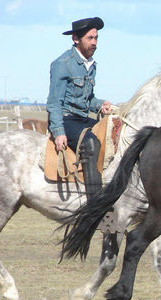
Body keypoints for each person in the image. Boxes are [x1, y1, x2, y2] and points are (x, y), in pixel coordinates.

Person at [47, 17, 111, 197]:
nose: (94, 43)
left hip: (82, 118)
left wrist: (100, 105)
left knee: (114, 133)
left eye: (96, 38)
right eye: (90, 38)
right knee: (90, 143)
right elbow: (54, 102)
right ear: (76, 39)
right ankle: (95, 205)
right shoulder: (62, 64)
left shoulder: (91, 65)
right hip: (67, 119)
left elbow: (87, 99)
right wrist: (58, 132)